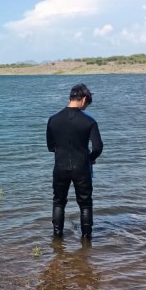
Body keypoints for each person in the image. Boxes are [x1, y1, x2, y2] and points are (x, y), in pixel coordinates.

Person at [46, 83, 103, 240]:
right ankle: (86, 240)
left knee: (58, 202)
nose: (86, 108)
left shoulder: (53, 119)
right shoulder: (89, 122)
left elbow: (51, 147)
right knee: (85, 204)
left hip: (60, 167)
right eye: (87, 104)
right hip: (81, 168)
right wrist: (90, 159)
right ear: (84, 99)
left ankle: (57, 238)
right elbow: (98, 147)